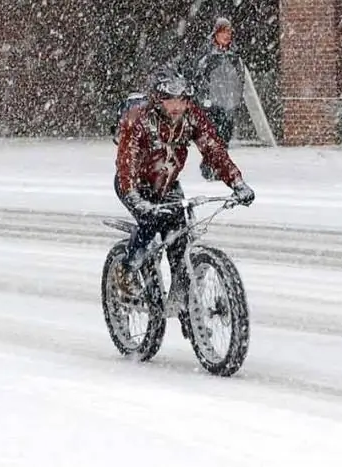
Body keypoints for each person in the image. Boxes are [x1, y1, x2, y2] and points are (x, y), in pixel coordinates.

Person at [113, 64, 255, 306]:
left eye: (182, 99)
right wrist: (137, 199)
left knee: (180, 240)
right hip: (135, 185)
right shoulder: (139, 119)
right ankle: (126, 271)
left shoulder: (191, 117)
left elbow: (213, 149)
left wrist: (236, 181)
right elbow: (127, 161)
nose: (177, 106)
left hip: (168, 186)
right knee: (150, 222)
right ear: (158, 99)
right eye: (170, 100)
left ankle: (185, 309)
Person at [189, 17, 246, 181]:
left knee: (225, 136)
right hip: (211, 103)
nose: (226, 36)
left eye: (229, 32)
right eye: (223, 32)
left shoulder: (235, 55)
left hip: (230, 102)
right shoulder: (207, 55)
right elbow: (198, 77)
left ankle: (218, 165)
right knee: (212, 136)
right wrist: (203, 98)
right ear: (216, 34)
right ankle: (209, 165)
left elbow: (240, 78)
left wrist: (237, 98)